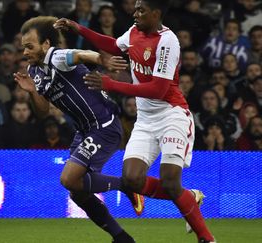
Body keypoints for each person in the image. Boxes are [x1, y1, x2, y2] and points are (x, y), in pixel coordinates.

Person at [54, 0, 215, 242]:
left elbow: (159, 90)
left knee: (170, 180)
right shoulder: (134, 32)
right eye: (135, 8)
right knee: (132, 179)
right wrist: (79, 29)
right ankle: (189, 197)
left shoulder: (168, 41)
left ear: (156, 12)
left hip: (172, 114)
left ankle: (206, 238)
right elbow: (112, 45)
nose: (135, 13)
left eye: (141, 10)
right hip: (145, 120)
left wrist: (111, 84)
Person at [14, 16, 143, 243]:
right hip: (84, 131)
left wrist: (102, 59)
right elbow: (43, 113)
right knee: (77, 192)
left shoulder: (56, 56)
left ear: (46, 44)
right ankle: (122, 238)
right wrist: (32, 91)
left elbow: (81, 54)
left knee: (68, 179)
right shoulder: (34, 71)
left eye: (29, 46)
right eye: (23, 47)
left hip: (104, 126)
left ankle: (128, 185)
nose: (25, 52)